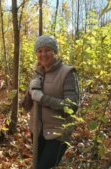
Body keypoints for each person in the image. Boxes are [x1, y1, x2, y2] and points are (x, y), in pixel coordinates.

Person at [21, 35, 80, 168]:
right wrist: (30, 93)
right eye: (39, 51)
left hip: (58, 133)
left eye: (47, 50)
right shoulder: (37, 73)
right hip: (37, 130)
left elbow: (72, 106)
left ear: (54, 51)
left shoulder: (68, 73)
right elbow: (26, 106)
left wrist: (42, 98)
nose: (43, 54)